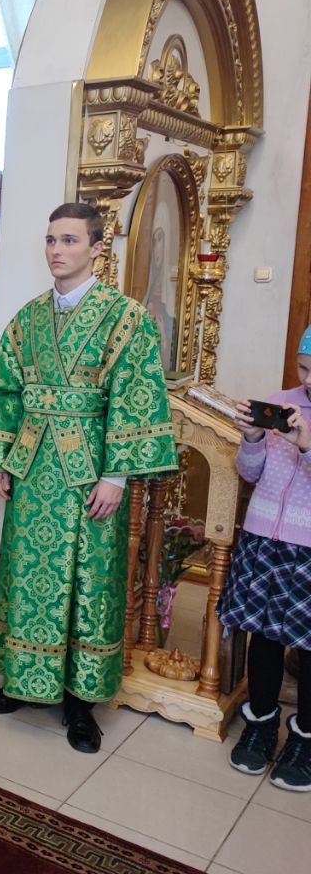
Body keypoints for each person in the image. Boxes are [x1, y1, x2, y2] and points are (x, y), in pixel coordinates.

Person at [0, 202, 177, 754]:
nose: (56, 250)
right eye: (50, 240)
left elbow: (135, 397)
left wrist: (116, 475)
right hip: (34, 466)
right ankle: (23, 681)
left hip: (89, 473)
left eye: (69, 240)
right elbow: (6, 391)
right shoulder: (29, 318)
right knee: (26, 573)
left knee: (89, 581)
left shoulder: (126, 318)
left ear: (97, 249)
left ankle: (80, 702)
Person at [218, 326, 311, 792]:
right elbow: (249, 473)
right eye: (304, 368)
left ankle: (305, 740)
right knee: (265, 638)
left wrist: (306, 443)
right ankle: (260, 724)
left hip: (308, 548)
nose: (308, 380)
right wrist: (253, 438)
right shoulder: (281, 401)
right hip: (263, 540)